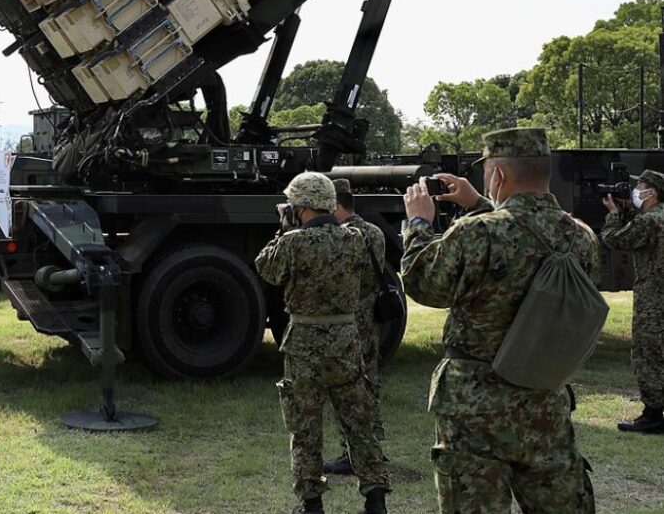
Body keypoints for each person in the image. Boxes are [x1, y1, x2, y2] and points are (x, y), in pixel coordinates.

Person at [402, 127, 597, 513]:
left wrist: (420, 225)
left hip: (476, 408)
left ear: (499, 176)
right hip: (545, 400)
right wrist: (478, 203)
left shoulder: (477, 234)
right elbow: (523, 238)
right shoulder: (582, 236)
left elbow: (425, 285)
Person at [255, 172, 389, 514]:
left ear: (301, 206)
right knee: (359, 424)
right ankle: (375, 499)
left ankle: (311, 503)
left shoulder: (294, 243)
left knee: (305, 428)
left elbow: (266, 269)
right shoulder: (356, 239)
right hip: (346, 340)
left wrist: (283, 230)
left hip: (304, 342)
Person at [323, 179, 386, 476]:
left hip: (346, 322)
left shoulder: (341, 236)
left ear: (336, 206)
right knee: (370, 383)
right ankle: (374, 448)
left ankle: (352, 454)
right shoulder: (375, 232)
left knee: (347, 391)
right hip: (370, 317)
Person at [600, 169, 664, 432]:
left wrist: (614, 214)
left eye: (640, 185)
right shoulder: (655, 218)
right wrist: (626, 212)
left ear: (651, 192)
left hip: (654, 297)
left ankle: (653, 415)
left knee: (648, 353)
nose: (635, 190)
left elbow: (615, 238)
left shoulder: (650, 221)